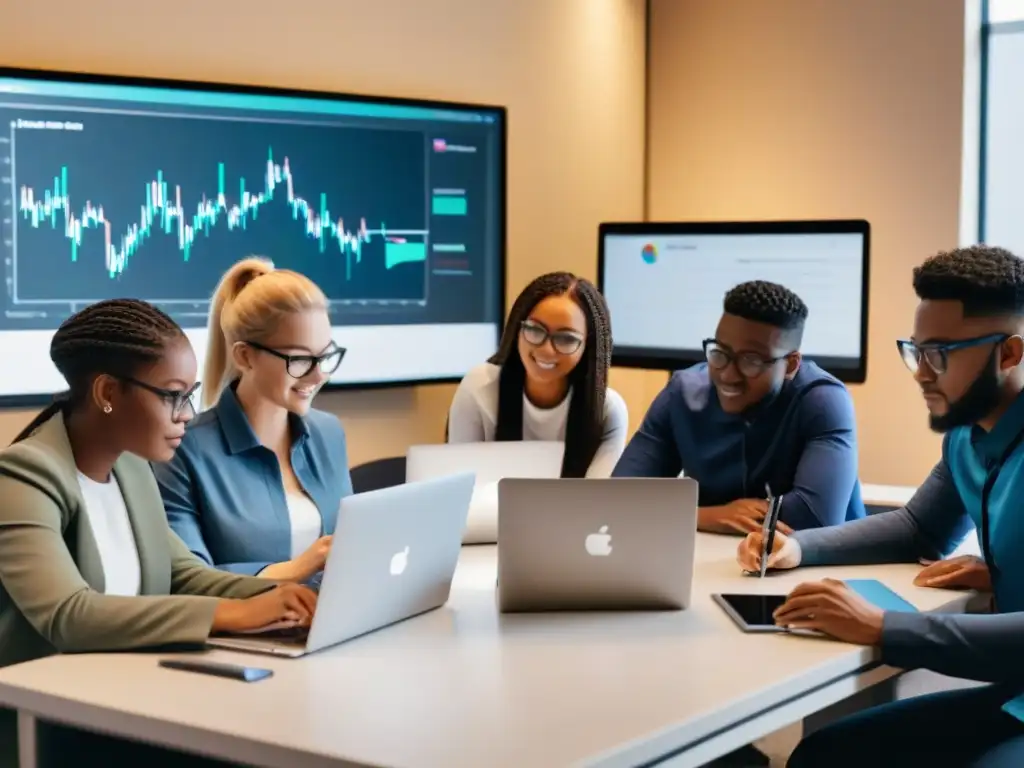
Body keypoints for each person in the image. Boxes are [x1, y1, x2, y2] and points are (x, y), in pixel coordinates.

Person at [736, 246, 1024, 766]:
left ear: (1009, 354)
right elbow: (918, 528)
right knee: (824, 755)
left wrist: (884, 627)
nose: (920, 373)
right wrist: (797, 547)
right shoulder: (966, 436)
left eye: (940, 354)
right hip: (1015, 694)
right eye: (915, 351)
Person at [0, 299, 317, 765]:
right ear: (108, 392)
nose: (186, 413)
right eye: (173, 395)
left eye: (189, 396)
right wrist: (233, 613)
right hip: (45, 726)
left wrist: (290, 595)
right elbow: (69, 616)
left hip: (127, 700)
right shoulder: (24, 475)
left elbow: (184, 574)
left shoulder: (131, 467)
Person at [154, 258, 352, 583]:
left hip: (329, 620)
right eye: (300, 359)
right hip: (246, 630)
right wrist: (298, 568)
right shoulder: (182, 450)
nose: (319, 375)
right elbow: (186, 580)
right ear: (245, 356)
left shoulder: (329, 432)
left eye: (326, 355)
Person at [613, 279, 864, 533]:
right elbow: (620, 498)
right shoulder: (682, 394)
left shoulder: (823, 400)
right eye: (720, 352)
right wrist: (707, 516)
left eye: (751, 360)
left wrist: (675, 512)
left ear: (790, 364)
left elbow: (816, 517)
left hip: (821, 567)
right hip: (712, 561)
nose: (728, 375)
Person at [446, 271, 628, 478]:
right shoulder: (478, 388)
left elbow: (595, 501)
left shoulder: (608, 411)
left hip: (572, 511)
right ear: (518, 328)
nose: (546, 350)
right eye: (534, 329)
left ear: (588, 346)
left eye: (566, 339)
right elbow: (462, 490)